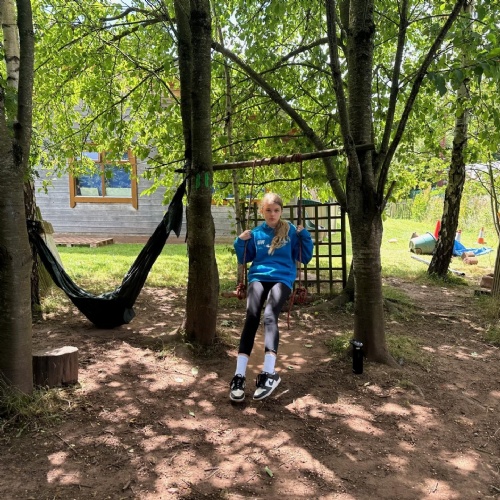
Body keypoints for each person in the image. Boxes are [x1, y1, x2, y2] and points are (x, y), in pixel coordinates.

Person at [229, 193, 314, 402]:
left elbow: (305, 257)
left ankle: (269, 373)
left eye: (276, 210)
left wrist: (304, 236)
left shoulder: (291, 231)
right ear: (262, 211)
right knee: (251, 315)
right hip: (258, 277)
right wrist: (240, 242)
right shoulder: (256, 233)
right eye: (268, 210)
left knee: (269, 314)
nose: (272, 214)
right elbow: (245, 257)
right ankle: (239, 376)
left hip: (282, 278)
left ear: (281, 211)